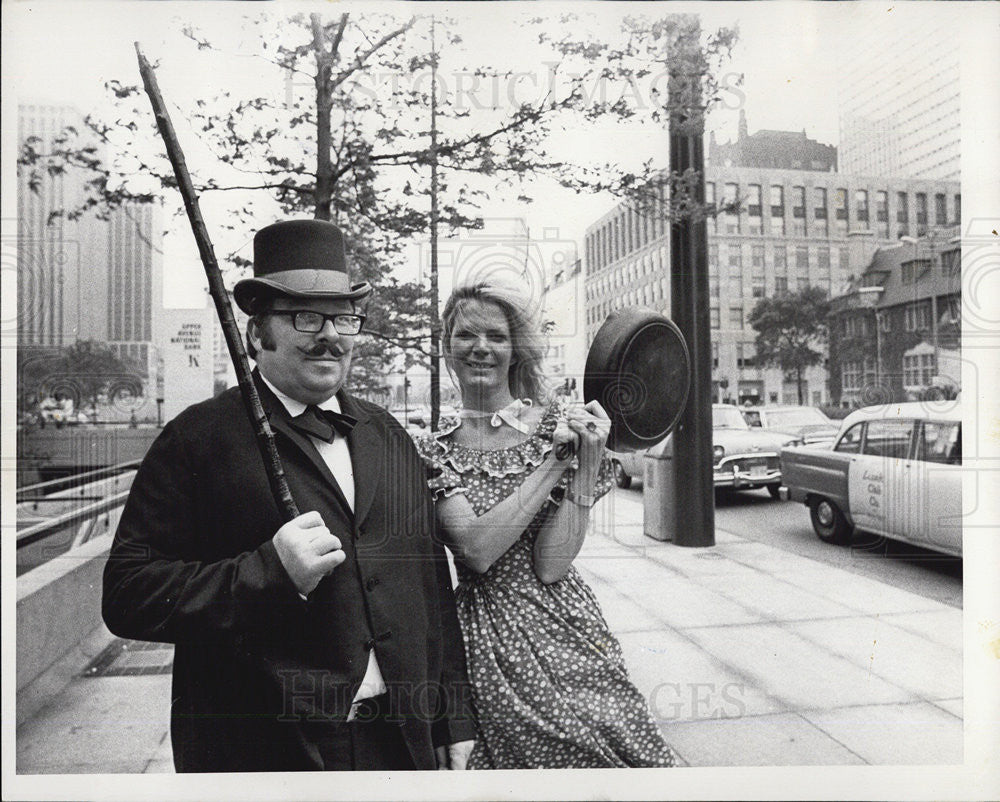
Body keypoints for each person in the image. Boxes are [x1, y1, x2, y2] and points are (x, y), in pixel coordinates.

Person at [103, 219, 475, 772]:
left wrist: (452, 716)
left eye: (343, 317)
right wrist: (267, 573)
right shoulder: (196, 440)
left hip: (399, 745)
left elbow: (429, 586)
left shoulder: (389, 436)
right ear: (257, 334)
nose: (330, 334)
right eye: (306, 316)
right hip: (265, 752)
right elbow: (129, 595)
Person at [414, 280, 677, 769]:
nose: (480, 348)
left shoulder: (563, 421)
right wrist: (558, 459)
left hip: (566, 625)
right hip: (481, 638)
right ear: (447, 346)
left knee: (616, 753)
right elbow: (475, 549)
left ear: (516, 349)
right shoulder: (432, 450)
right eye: (466, 334)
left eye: (496, 336)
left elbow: (552, 564)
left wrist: (586, 462)